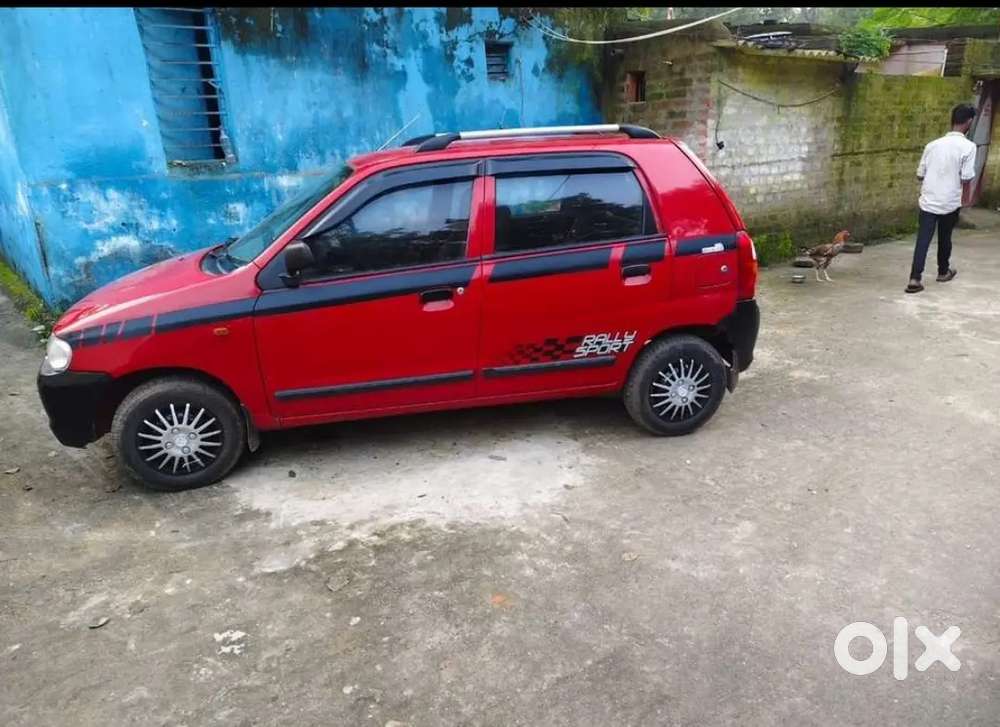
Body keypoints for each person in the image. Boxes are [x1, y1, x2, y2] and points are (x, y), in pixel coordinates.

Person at [905, 103, 978, 294]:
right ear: (969, 121)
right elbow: (967, 176)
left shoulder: (932, 145)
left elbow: (920, 175)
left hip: (928, 199)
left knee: (923, 239)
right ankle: (943, 272)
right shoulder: (969, 147)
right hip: (950, 201)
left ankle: (914, 278)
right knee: (945, 237)